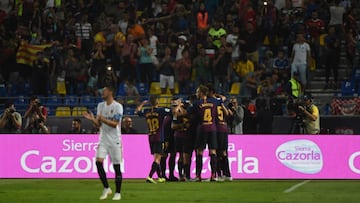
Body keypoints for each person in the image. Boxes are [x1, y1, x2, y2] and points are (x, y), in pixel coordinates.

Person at [83, 86, 123, 200]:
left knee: (116, 167)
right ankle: (106, 187)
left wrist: (102, 119)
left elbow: (115, 124)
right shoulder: (100, 106)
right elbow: (99, 124)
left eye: (104, 91)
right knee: (98, 162)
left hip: (115, 140)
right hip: (103, 139)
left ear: (110, 92)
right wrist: (92, 120)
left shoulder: (117, 106)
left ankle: (118, 193)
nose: (102, 92)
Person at [135, 95, 170, 184]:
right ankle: (150, 176)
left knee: (155, 157)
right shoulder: (161, 111)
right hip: (159, 137)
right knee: (157, 159)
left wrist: (142, 104)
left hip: (151, 137)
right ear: (157, 102)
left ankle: (160, 177)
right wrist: (177, 105)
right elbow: (172, 112)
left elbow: (137, 112)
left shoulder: (147, 111)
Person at [192, 85, 218, 181]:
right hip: (212, 128)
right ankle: (213, 175)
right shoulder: (214, 102)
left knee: (199, 151)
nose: (196, 93)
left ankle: (198, 176)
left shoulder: (197, 103)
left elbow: (189, 114)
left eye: (197, 91)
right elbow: (222, 99)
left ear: (201, 93)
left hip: (202, 129)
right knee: (213, 151)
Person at [207, 85, 232, 181]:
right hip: (224, 127)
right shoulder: (220, 102)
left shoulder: (211, 103)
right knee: (224, 152)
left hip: (216, 128)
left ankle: (218, 175)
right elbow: (229, 114)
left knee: (215, 152)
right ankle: (227, 174)